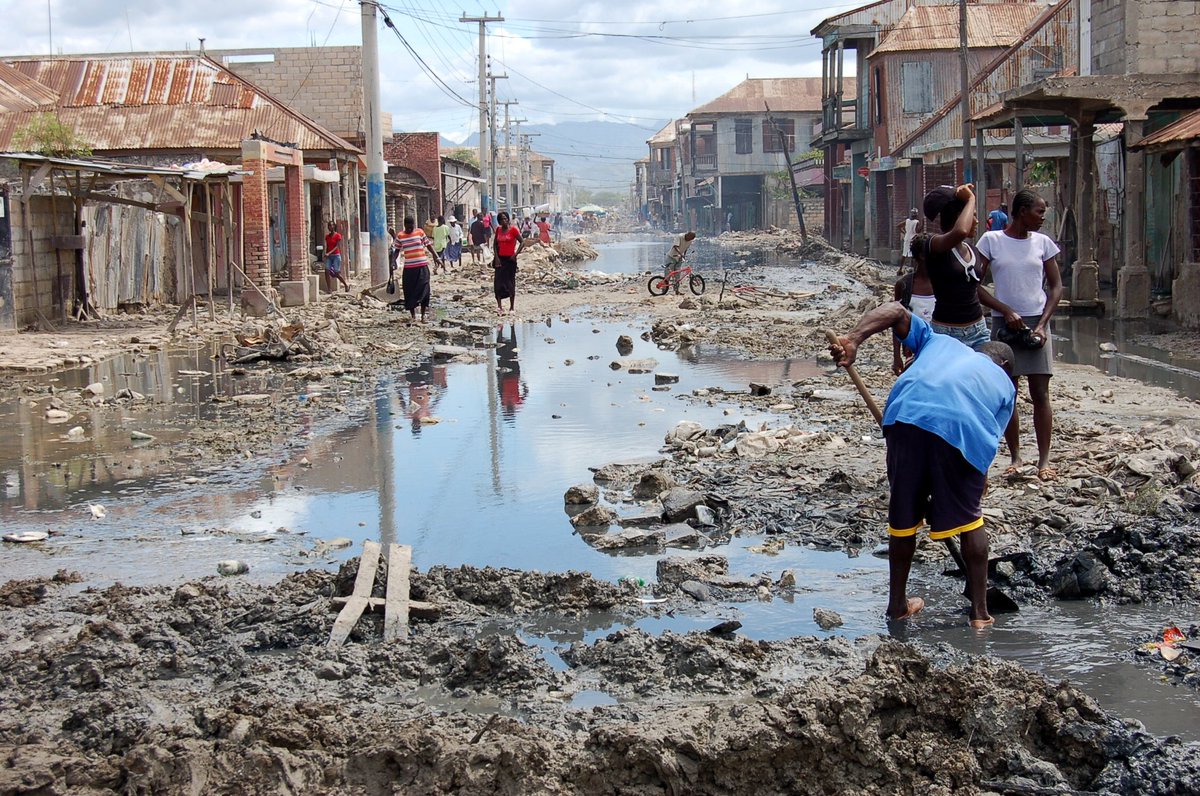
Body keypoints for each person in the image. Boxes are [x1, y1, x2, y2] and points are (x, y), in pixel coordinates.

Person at [829, 301, 1015, 629]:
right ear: (1004, 365)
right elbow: (986, 444)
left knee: (904, 518)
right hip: (961, 430)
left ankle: (897, 606)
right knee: (971, 520)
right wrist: (964, 489)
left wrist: (854, 339)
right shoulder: (1004, 385)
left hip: (905, 417)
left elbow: (896, 311)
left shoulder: (940, 342)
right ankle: (980, 613)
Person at [976, 189, 1063, 481]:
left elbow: (1056, 287)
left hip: (1036, 323)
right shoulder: (991, 241)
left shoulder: (1043, 243)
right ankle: (1015, 456)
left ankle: (1044, 460)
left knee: (1040, 393)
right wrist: (1005, 310)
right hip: (1004, 326)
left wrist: (1042, 325)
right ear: (1022, 211)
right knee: (1007, 393)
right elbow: (975, 285)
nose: (1042, 218)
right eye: (1039, 212)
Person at [922, 184, 989, 351]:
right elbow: (960, 231)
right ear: (960, 216)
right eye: (972, 215)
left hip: (978, 331)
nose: (977, 221)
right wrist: (971, 199)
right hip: (946, 332)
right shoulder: (933, 244)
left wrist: (1005, 309)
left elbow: (975, 289)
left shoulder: (972, 251)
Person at [892, 232, 935, 375]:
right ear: (922, 256)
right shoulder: (904, 285)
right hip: (913, 351)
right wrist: (896, 356)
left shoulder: (943, 283)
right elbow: (896, 322)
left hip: (938, 348)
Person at [394, 215, 441, 323]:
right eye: (408, 227)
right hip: (409, 269)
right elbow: (396, 250)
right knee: (409, 291)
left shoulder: (420, 232)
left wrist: (436, 257)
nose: (410, 229)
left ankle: (423, 315)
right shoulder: (400, 236)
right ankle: (413, 316)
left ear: (414, 225)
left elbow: (429, 245)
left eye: (412, 227)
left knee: (425, 288)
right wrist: (393, 262)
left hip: (422, 267)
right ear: (405, 226)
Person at [492, 210, 524, 315]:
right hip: (500, 260)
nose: (504, 221)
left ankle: (511, 307)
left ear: (508, 219)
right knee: (498, 283)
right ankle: (499, 307)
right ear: (499, 221)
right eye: (501, 219)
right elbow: (495, 244)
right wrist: (496, 257)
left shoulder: (513, 230)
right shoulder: (498, 230)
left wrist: (515, 254)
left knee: (510, 283)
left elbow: (522, 242)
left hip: (510, 260)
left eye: (505, 218)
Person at [323, 221, 349, 293]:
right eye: (329, 226)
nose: (330, 227)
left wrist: (329, 253)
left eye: (331, 225)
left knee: (336, 273)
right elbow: (327, 246)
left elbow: (337, 246)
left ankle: (346, 285)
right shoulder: (327, 236)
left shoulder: (338, 235)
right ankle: (329, 289)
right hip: (329, 256)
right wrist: (325, 253)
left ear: (334, 226)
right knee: (327, 271)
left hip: (336, 256)